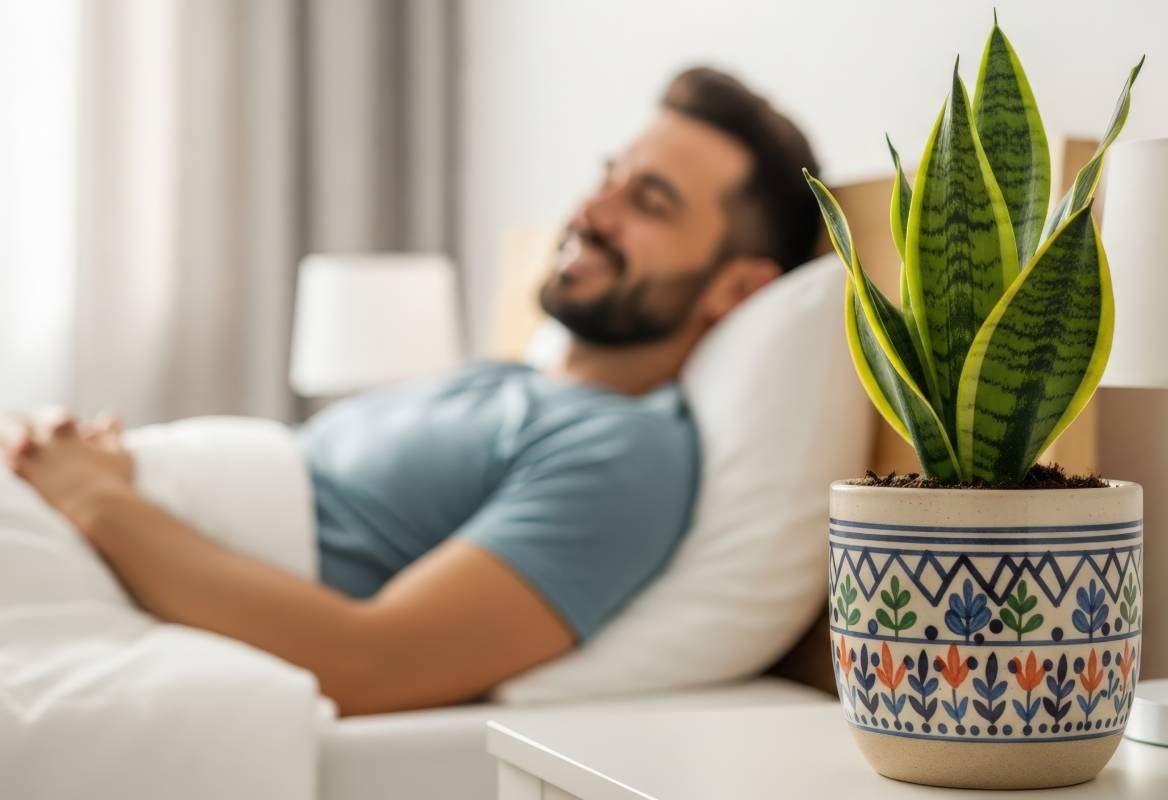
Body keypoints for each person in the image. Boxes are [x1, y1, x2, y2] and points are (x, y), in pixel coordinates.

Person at [2, 68, 821, 715]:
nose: (592, 208)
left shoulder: (626, 453)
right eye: (610, 175)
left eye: (649, 202)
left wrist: (101, 502)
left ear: (735, 291)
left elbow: (370, 661)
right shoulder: (503, 382)